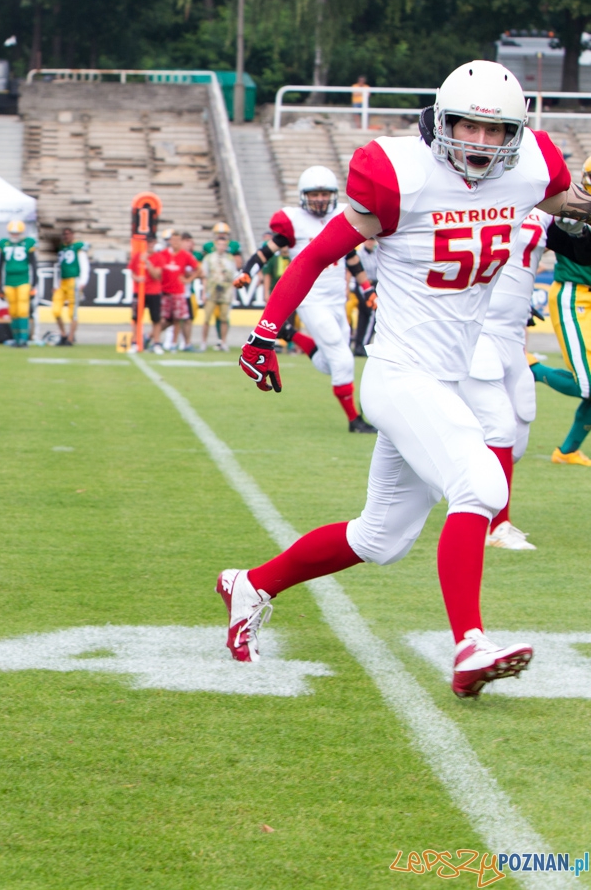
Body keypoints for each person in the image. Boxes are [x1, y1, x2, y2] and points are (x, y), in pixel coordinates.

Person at [225, 59, 588, 698]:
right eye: (467, 126)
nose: (479, 142)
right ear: (442, 121)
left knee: (381, 538)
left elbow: (565, 204)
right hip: (398, 372)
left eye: (494, 130)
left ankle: (250, 584)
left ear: (515, 134)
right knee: (479, 480)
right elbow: (316, 253)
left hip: (448, 377)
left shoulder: (530, 165)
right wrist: (265, 330)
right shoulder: (400, 174)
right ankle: (469, 646)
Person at [236, 167, 379, 432]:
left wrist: (367, 288)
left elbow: (352, 258)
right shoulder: (294, 221)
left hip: (338, 299)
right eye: (315, 194)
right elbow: (266, 251)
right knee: (342, 360)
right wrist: (247, 271)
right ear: (304, 196)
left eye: (325, 193)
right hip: (310, 299)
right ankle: (353, 420)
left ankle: (291, 335)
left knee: (330, 362)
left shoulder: (341, 216)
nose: (320, 199)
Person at [460, 209, 551, 551]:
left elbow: (578, 248)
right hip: (475, 331)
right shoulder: (469, 197)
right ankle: (496, 526)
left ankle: (469, 497)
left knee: (518, 433)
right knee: (499, 429)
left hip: (513, 337)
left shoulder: (544, 210)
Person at [537, 200, 591, 466]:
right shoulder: (571, 207)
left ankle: (567, 451)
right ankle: (532, 368)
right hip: (574, 295)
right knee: (588, 385)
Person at [149, 232, 199, 352]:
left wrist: (188, 280)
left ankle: (173, 343)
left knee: (177, 320)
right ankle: (155, 341)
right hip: (165, 291)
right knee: (161, 319)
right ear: (170, 241)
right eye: (173, 240)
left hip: (178, 291)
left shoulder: (185, 255)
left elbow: (197, 269)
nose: (175, 242)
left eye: (178, 240)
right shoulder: (163, 254)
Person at [199, 223, 239, 351]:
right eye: (219, 243)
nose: (221, 246)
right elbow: (205, 275)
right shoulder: (209, 258)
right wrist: (204, 292)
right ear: (215, 244)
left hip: (225, 291)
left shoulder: (230, 259)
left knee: (224, 318)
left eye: (224, 244)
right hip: (212, 290)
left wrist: (233, 293)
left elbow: (234, 276)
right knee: (206, 318)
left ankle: (223, 342)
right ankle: (203, 342)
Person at [0, 219, 37, 347]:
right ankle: (16, 339)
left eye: (17, 233)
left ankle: (24, 339)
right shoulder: (4, 244)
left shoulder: (28, 243)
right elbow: (0, 265)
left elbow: (33, 264)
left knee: (22, 310)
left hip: (23, 281)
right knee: (13, 311)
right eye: (12, 233)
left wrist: (34, 283)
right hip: (9, 282)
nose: (14, 235)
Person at [53, 227, 88, 346]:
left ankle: (70, 338)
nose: (66, 236)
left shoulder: (78, 247)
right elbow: (58, 266)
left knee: (72, 313)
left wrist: (83, 281)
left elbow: (84, 265)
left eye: (68, 234)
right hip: (62, 282)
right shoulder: (61, 247)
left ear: (73, 235)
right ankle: (63, 334)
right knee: (56, 311)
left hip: (74, 281)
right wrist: (55, 283)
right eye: (64, 234)